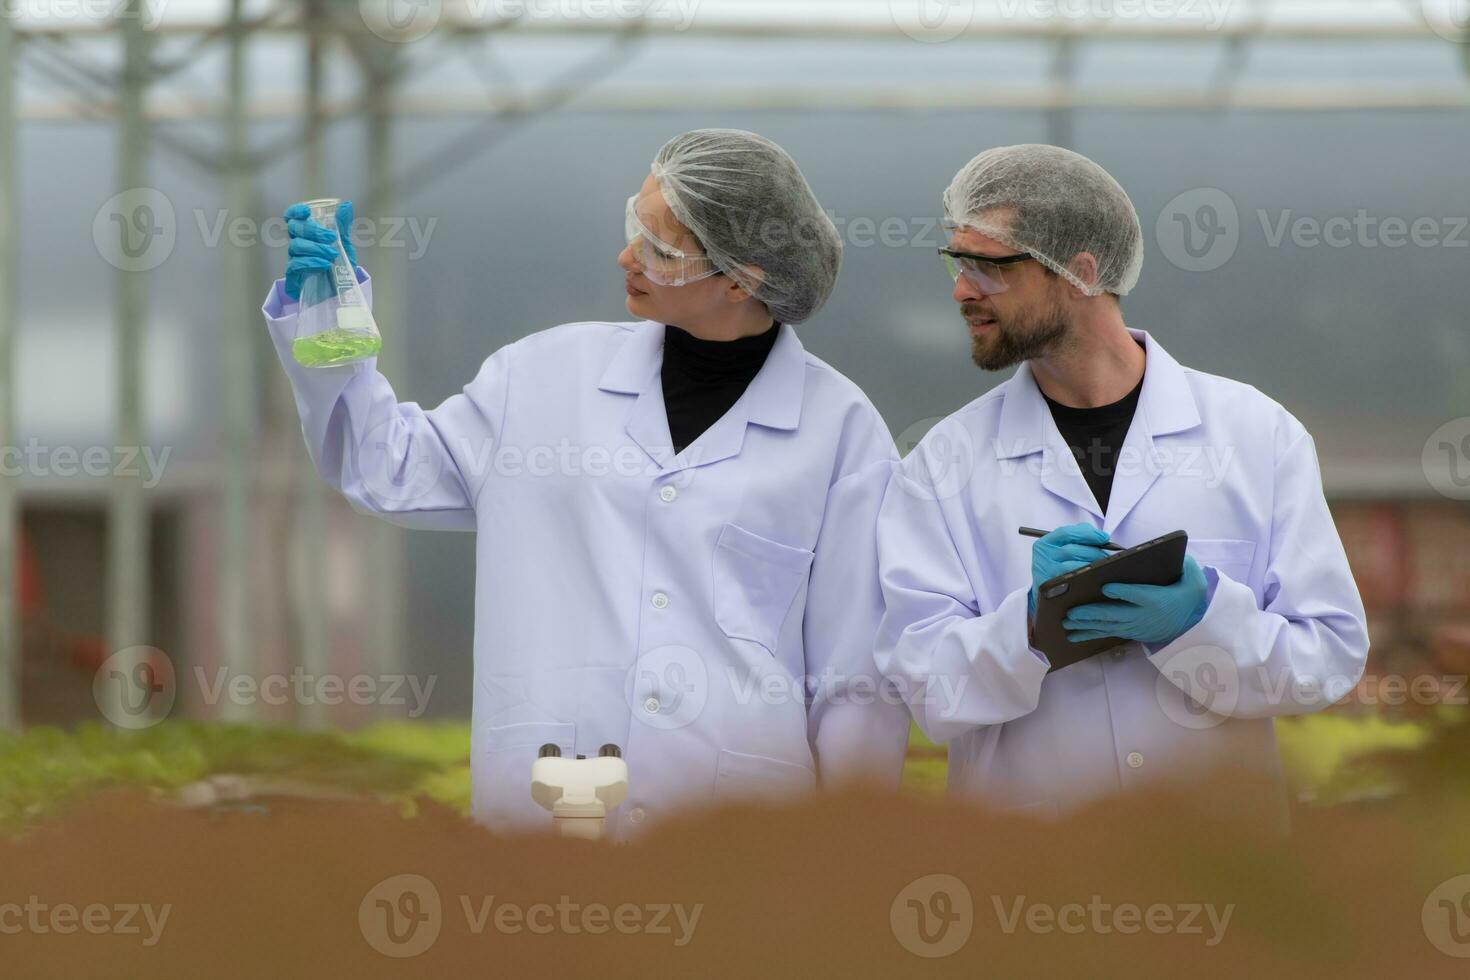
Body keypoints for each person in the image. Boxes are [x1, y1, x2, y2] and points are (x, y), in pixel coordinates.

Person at [262, 129, 910, 839]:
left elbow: (856, 685)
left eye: (661, 250)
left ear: (741, 280)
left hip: (742, 839)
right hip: (539, 809)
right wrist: (329, 312)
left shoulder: (840, 430)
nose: (627, 257)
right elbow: (379, 463)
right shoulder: (540, 378)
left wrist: (850, 847)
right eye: (636, 224)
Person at [875, 144, 1368, 825]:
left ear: (1080, 272)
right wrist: (1028, 627)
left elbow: (1329, 659)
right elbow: (921, 685)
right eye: (958, 264)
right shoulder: (943, 462)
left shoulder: (1255, 434)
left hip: (1219, 871)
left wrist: (1205, 623)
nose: (963, 289)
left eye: (990, 266)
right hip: (1026, 875)